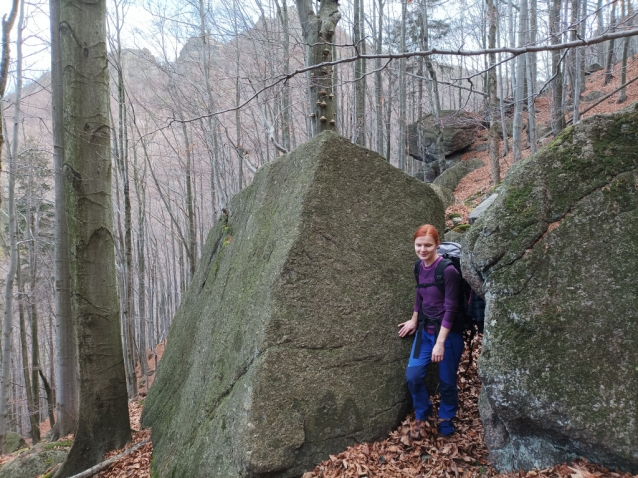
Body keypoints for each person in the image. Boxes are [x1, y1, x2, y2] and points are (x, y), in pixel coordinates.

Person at [398, 224, 464, 438]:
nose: (423, 249)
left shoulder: (448, 271)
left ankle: (446, 419)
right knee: (413, 376)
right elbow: (420, 295)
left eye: (427, 245)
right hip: (424, 333)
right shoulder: (418, 267)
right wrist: (414, 319)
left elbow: (452, 307)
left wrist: (441, 342)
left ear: (437, 244)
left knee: (446, 382)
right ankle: (423, 414)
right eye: (419, 245)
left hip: (447, 335)